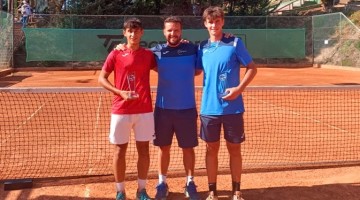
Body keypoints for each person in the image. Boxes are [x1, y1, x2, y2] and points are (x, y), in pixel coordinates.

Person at [197, 6, 257, 200]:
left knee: (234, 149)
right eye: (210, 21)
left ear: (222, 22)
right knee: (211, 150)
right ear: (205, 24)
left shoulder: (234, 43)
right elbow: (191, 67)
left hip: (233, 108)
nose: (213, 25)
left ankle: (236, 191)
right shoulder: (201, 48)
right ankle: (212, 191)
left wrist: (239, 89)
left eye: (217, 21)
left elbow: (251, 68)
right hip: (209, 109)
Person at [98, 18, 156, 200]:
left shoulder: (148, 55)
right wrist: (120, 92)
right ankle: (120, 191)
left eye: (136, 31)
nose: (133, 34)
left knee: (144, 151)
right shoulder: (115, 54)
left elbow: (167, 65)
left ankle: (141, 190)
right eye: (129, 31)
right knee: (119, 151)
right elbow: (102, 78)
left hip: (144, 110)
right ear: (124, 33)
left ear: (142, 33)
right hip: (121, 110)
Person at [151, 16, 201, 200]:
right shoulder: (156, 52)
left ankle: (190, 182)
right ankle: (162, 183)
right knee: (163, 148)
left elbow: (197, 71)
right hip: (163, 110)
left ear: (181, 31)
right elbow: (138, 56)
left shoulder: (192, 49)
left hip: (187, 109)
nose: (173, 33)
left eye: (176, 30)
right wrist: (121, 46)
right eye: (170, 30)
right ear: (164, 32)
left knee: (188, 148)